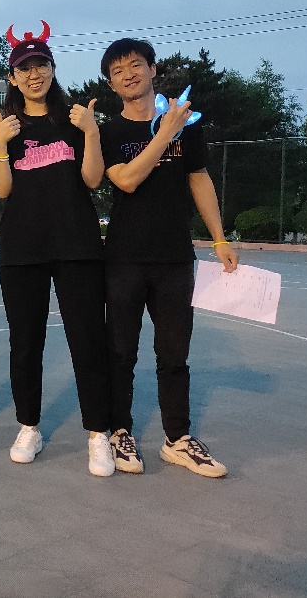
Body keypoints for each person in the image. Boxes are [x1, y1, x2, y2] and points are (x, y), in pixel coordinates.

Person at [99, 38, 238, 478]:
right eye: (118, 70)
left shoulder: (186, 125)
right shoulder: (110, 132)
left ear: (153, 69)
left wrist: (219, 239)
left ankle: (177, 439)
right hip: (123, 258)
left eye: (135, 65)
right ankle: (119, 431)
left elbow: (199, 178)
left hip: (176, 258)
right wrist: (164, 133)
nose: (128, 74)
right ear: (111, 83)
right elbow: (126, 179)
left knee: (174, 355)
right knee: (120, 353)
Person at [0, 24, 114, 476]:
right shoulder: (8, 127)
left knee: (88, 340)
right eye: (24, 68)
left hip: (76, 244)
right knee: (26, 342)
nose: (34, 74)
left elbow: (93, 180)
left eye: (40, 65)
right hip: (22, 248)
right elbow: (1, 190)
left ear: (52, 68)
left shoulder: (75, 121)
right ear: (13, 77)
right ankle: (29, 426)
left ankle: (98, 433)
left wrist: (92, 133)